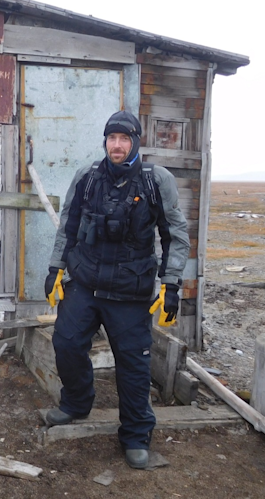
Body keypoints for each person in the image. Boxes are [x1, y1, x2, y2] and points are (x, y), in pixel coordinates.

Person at [44, 110, 190, 469]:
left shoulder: (157, 181)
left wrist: (171, 285)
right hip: (86, 281)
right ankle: (77, 403)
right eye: (112, 138)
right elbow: (68, 225)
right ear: (105, 141)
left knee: (133, 363)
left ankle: (137, 434)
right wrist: (54, 269)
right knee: (65, 342)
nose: (117, 145)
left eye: (124, 139)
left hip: (130, 289)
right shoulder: (88, 178)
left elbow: (176, 234)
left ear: (136, 142)